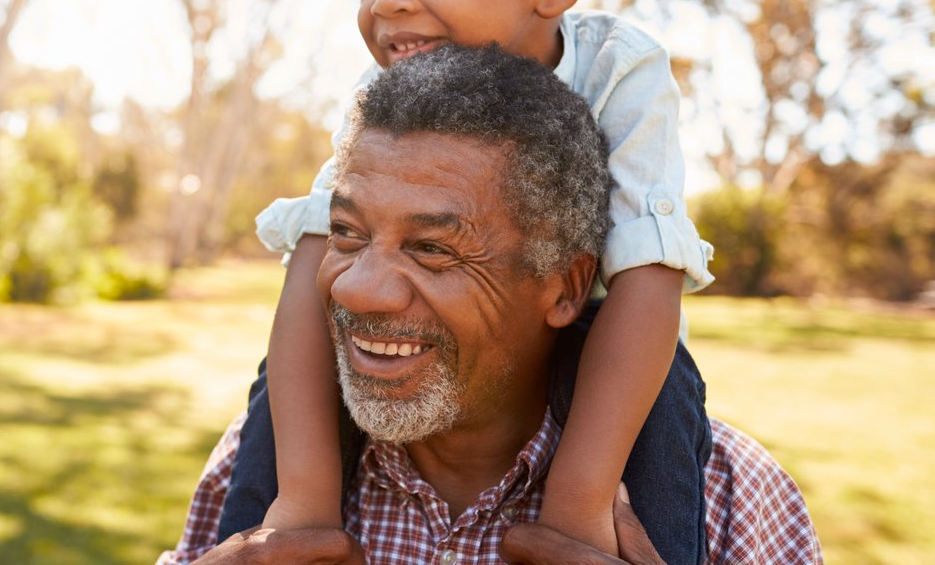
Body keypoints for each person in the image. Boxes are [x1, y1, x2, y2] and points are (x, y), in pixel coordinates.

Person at [220, 0, 716, 562]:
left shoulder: (619, 67)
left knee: (666, 389)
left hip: (604, 341)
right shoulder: (381, 95)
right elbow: (315, 256)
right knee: (285, 377)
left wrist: (577, 512)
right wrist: (301, 499)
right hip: (441, 356)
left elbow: (648, 273)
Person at [159, 45, 822, 564]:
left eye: (432, 249)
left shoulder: (731, 498)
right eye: (347, 234)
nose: (357, 288)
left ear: (565, 287)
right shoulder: (260, 466)